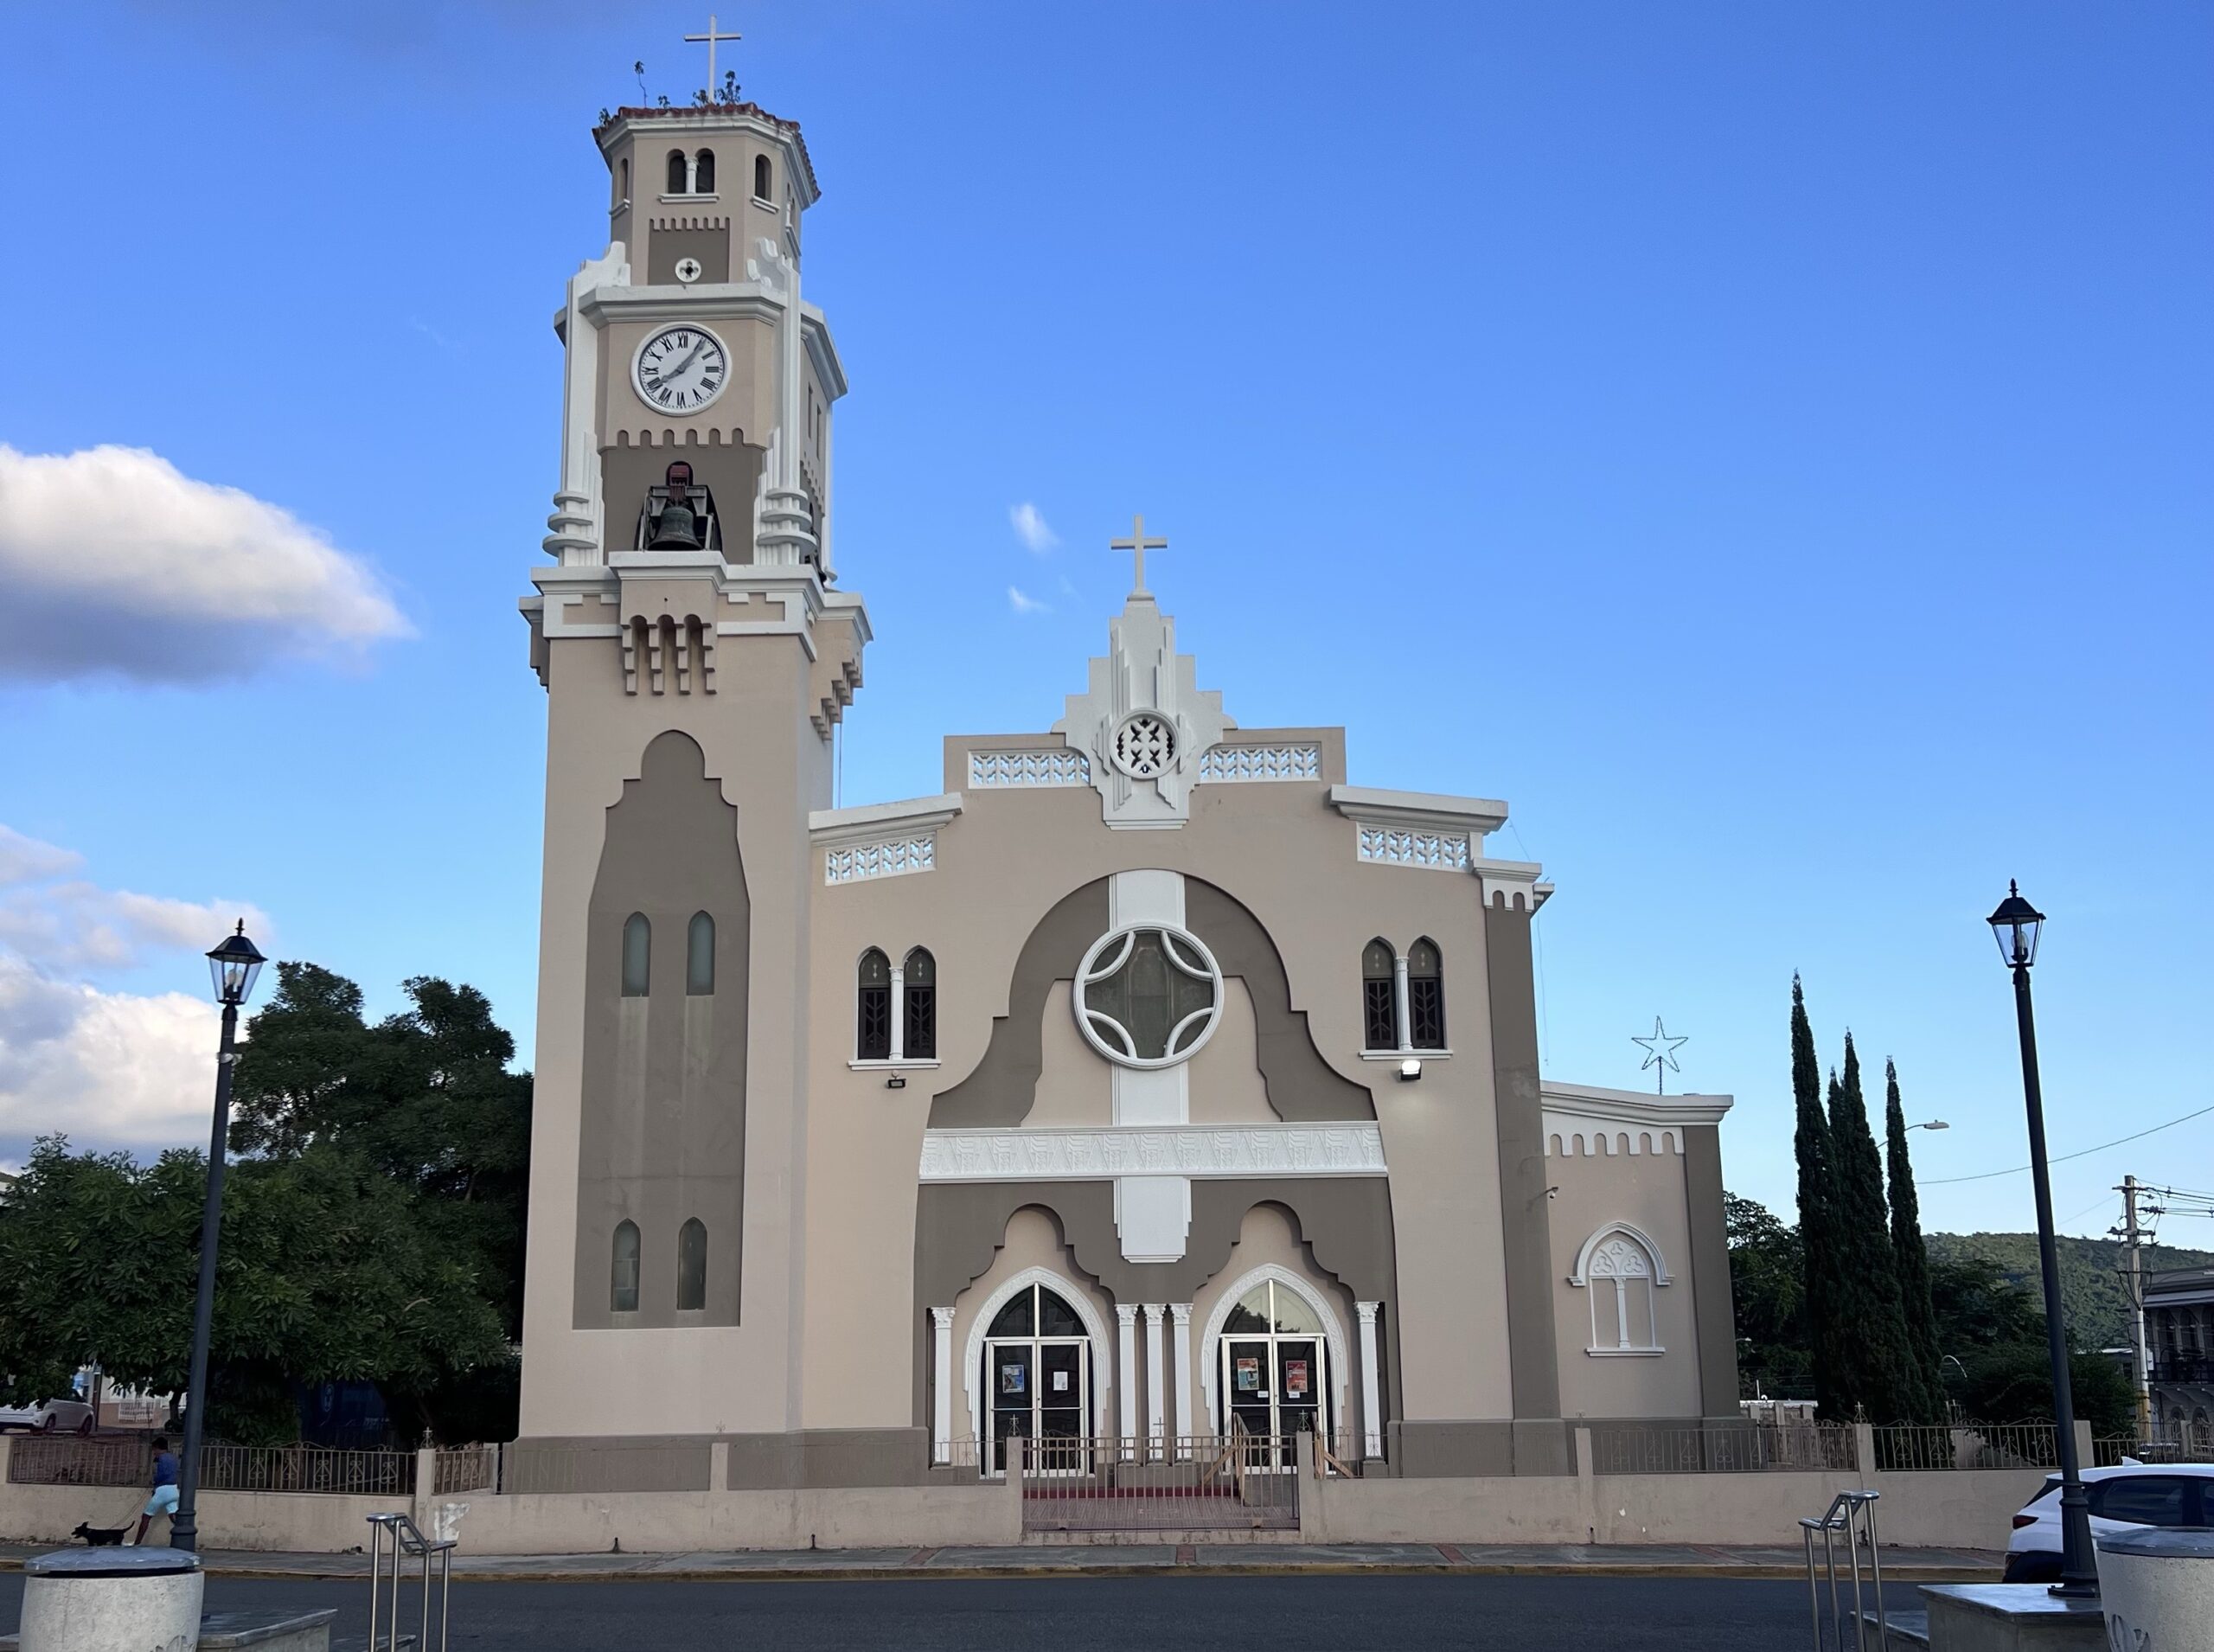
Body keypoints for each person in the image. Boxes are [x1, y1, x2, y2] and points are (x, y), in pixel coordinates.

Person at [135, 1435, 178, 1545]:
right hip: (173, 1489)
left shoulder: (161, 1458)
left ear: (158, 1448)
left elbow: (162, 1474)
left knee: (146, 1517)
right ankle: (180, 1537)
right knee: (173, 1516)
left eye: (154, 1449)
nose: (154, 1452)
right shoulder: (173, 1457)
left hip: (163, 1490)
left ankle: (137, 1543)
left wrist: (154, 1481)